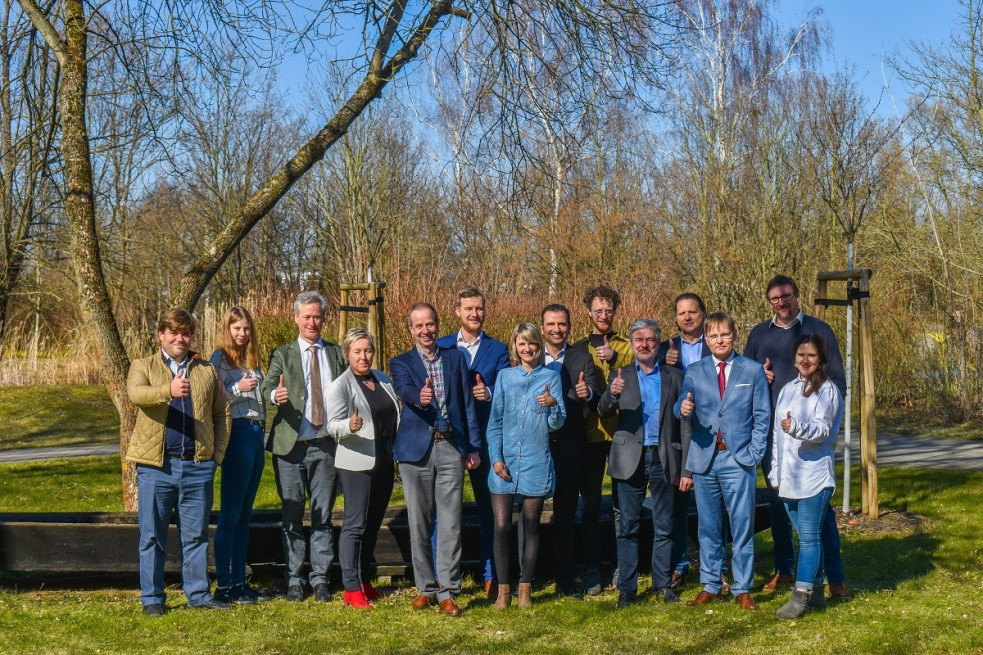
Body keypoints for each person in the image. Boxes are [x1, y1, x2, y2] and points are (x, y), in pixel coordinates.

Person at [743, 274, 850, 601]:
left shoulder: (819, 330)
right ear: (769, 301)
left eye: (786, 296)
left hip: (811, 441)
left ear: (797, 296)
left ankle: (835, 578)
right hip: (772, 436)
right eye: (775, 298)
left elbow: (838, 385)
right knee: (778, 505)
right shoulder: (760, 334)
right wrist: (758, 377)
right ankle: (785, 568)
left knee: (821, 513)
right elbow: (745, 382)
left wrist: (827, 431)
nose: (782, 302)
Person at [126, 308, 231, 615]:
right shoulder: (142, 365)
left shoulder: (206, 370)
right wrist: (167, 390)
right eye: (173, 333)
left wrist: (216, 456)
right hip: (157, 467)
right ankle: (153, 599)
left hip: (197, 467)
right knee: (152, 536)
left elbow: (222, 412)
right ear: (161, 335)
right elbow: (136, 394)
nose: (180, 339)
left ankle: (198, 594)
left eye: (185, 333)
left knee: (196, 535)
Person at [390, 302, 481, 617]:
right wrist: (420, 396)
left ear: (437, 325)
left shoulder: (456, 359)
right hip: (415, 453)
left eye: (430, 324)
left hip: (451, 448)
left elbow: (467, 404)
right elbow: (403, 389)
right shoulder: (400, 362)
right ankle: (426, 588)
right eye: (419, 326)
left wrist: (473, 447)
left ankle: (448, 591)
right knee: (419, 521)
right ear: (411, 330)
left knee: (451, 521)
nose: (425, 330)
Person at [674, 312, 769, 611]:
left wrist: (754, 453)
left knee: (742, 526)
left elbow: (763, 416)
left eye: (724, 335)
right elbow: (680, 404)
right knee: (709, 527)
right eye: (713, 336)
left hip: (738, 458)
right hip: (704, 458)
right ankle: (711, 584)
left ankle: (742, 588)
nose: (719, 340)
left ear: (734, 335)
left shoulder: (751, 371)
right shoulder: (695, 369)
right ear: (707, 338)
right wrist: (683, 407)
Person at [261, 291, 346, 602]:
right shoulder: (282, 354)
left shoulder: (336, 354)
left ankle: (321, 578)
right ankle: (294, 579)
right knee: (292, 515)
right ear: (295, 318)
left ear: (324, 318)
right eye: (306, 316)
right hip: (290, 447)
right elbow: (267, 384)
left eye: (317, 316)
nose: (312, 322)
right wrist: (274, 396)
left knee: (323, 515)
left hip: (326, 446)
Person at [599, 318, 690, 608]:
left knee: (665, 525)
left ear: (658, 342)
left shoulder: (674, 375)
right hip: (629, 458)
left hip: (664, 456)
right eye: (638, 340)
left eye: (650, 339)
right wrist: (612, 394)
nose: (644, 344)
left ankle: (662, 585)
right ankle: (627, 588)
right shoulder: (621, 374)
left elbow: (681, 416)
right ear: (633, 343)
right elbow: (602, 411)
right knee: (627, 525)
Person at [435, 287, 511, 599]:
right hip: (449, 439)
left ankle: (491, 574)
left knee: (489, 510)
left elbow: (507, 387)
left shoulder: (498, 349)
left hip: (486, 438)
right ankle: (442, 579)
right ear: (457, 312)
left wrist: (489, 393)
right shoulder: (441, 346)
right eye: (468, 309)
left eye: (479, 308)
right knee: (443, 511)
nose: (474, 314)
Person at [487, 323, 566, 609]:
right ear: (515, 346)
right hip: (504, 464)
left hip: (535, 463)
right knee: (501, 526)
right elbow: (494, 422)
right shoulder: (505, 377)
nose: (528, 348)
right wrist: (495, 457)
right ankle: (503, 590)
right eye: (522, 344)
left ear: (538, 345)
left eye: (532, 343)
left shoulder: (551, 377)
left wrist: (553, 404)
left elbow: (557, 423)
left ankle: (525, 590)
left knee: (531, 525)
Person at [326, 327, 400, 609]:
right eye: (357, 351)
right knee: (355, 525)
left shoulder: (381, 379)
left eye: (367, 350)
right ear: (348, 354)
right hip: (356, 462)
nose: (363, 356)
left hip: (383, 461)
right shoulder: (341, 385)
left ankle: (365, 580)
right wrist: (350, 425)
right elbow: (331, 425)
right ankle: (351, 587)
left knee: (371, 525)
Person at [770, 334, 842, 619]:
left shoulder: (828, 391)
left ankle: (800, 597)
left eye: (811, 355)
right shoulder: (786, 389)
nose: (805, 360)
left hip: (814, 476)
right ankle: (818, 593)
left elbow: (822, 430)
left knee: (810, 538)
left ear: (821, 359)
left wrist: (796, 427)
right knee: (806, 536)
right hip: (789, 478)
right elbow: (777, 436)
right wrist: (776, 473)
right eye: (801, 354)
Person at [573, 285, 633, 595]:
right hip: (591, 434)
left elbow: (636, 378)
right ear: (589, 311)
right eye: (598, 310)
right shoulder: (578, 349)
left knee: (624, 504)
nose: (603, 315)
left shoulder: (627, 346)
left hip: (622, 434)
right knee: (592, 504)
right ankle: (593, 567)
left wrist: (614, 360)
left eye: (608, 310)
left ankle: (623, 565)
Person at [209, 306, 271, 604]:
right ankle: (223, 584)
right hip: (238, 435)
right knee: (231, 513)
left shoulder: (253, 358)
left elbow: (262, 395)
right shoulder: (218, 359)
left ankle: (239, 581)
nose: (242, 333)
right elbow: (212, 398)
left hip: (258, 433)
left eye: (246, 328)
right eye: (237, 328)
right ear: (228, 329)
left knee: (245, 513)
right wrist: (238, 386)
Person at [539, 304, 601, 599]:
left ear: (569, 327)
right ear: (542, 328)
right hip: (537, 446)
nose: (556, 329)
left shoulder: (581, 358)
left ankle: (569, 575)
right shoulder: (531, 356)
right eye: (551, 324)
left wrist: (587, 393)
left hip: (571, 445)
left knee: (567, 512)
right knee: (534, 512)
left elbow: (591, 392)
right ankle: (537, 573)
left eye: (562, 324)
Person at [657, 292, 712, 591]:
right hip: (677, 436)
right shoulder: (667, 348)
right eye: (681, 313)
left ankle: (716, 566)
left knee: (712, 505)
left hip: (710, 433)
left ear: (703, 314)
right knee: (678, 504)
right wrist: (667, 363)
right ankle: (680, 564)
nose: (687, 317)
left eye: (693, 311)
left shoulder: (716, 342)